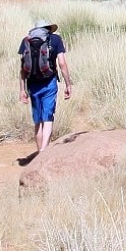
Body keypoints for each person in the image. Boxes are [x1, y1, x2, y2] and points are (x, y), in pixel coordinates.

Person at [17, 20, 74, 156]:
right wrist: (68, 84)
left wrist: (22, 90)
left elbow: (23, 69)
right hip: (49, 82)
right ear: (48, 28)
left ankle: (39, 153)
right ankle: (43, 153)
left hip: (32, 84)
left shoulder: (26, 40)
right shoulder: (55, 39)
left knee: (38, 121)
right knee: (47, 118)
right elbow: (62, 63)